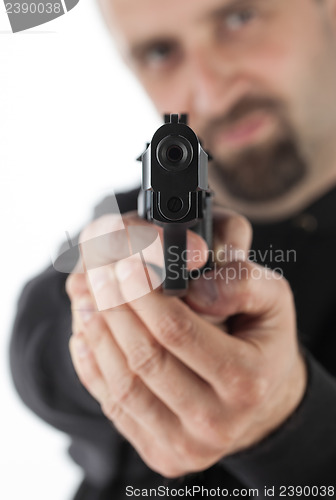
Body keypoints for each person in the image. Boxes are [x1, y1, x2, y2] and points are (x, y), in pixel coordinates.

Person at [10, 0, 336, 498]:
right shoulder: (130, 218)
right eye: (161, 51)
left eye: (238, 19)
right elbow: (37, 342)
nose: (210, 91)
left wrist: (291, 426)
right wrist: (96, 323)